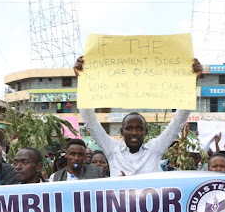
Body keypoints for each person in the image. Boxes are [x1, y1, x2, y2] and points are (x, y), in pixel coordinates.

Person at [74, 56, 202, 176]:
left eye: (139, 128)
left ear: (146, 131)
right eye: (129, 128)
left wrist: (191, 82)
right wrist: (82, 80)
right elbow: (91, 123)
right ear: (121, 132)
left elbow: (178, 122)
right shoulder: (112, 149)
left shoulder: (155, 149)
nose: (134, 132)